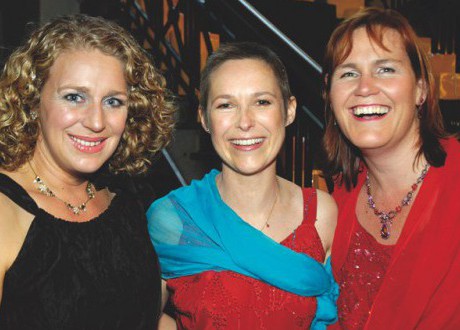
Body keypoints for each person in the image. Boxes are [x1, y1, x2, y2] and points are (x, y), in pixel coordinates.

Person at [147, 42, 339, 330]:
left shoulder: (321, 213)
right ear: (204, 119)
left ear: (289, 110)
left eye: (262, 102)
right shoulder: (172, 218)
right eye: (226, 105)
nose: (245, 122)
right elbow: (140, 317)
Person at [0, 14, 175, 328]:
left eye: (113, 101)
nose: (96, 122)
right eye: (74, 97)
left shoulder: (132, 201)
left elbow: (150, 319)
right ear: (31, 99)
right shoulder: (5, 210)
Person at [321, 7, 460, 329]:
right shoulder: (332, 205)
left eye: (385, 69)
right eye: (349, 73)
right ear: (330, 95)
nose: (365, 87)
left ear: (421, 90)